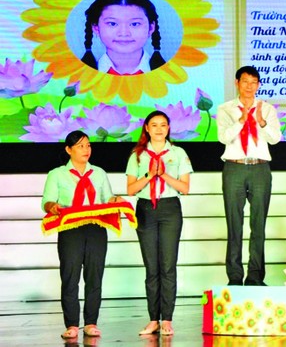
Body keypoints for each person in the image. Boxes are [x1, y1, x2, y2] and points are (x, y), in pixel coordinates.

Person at [42, 130, 123, 339]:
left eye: (88, 145)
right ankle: (71, 324)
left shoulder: (99, 173)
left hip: (96, 227)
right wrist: (53, 206)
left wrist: (114, 200)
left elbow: (107, 198)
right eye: (80, 146)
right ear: (68, 150)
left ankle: (90, 322)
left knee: (94, 276)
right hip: (71, 229)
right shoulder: (56, 174)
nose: (86, 150)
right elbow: (47, 201)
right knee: (70, 276)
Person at [126, 111, 193, 336]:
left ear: (168, 128)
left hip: (169, 209)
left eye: (163, 125)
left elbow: (184, 188)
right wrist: (148, 174)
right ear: (146, 128)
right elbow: (131, 189)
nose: (158, 129)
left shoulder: (178, 153)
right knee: (151, 267)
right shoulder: (137, 155)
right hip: (145, 209)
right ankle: (153, 319)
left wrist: (163, 175)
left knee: (167, 265)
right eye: (154, 125)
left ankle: (167, 319)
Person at [216, 66, 281, 286]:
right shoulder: (225, 109)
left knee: (258, 224)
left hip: (260, 168)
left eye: (254, 82)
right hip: (234, 167)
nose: (249, 86)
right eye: (245, 81)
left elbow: (275, 139)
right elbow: (224, 137)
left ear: (258, 85)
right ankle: (234, 277)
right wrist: (242, 120)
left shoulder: (267, 109)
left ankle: (255, 276)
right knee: (234, 224)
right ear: (237, 83)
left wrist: (261, 121)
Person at [82, 0, 166, 75]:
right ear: (96, 28)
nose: (124, 33)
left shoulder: (168, 74)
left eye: (135, 24)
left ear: (151, 28)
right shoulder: (79, 75)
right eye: (112, 23)